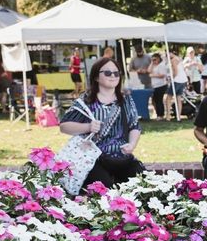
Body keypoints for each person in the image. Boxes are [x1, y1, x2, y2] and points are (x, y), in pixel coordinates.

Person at [60, 57, 144, 190]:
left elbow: (135, 125)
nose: (113, 76)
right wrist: (87, 127)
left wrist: (132, 144)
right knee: (104, 191)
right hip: (93, 160)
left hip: (122, 158)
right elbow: (64, 126)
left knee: (143, 184)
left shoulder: (125, 99)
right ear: (96, 77)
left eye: (116, 73)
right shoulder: (85, 100)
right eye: (107, 73)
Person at [164, 49, 188, 120]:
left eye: (168, 54)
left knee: (168, 98)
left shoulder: (173, 60)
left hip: (177, 80)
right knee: (178, 98)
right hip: (183, 80)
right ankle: (178, 116)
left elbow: (176, 72)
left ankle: (168, 116)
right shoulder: (179, 58)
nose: (167, 55)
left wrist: (171, 78)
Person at [148, 53, 168, 120]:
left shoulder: (161, 65)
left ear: (159, 59)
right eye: (152, 59)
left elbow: (162, 75)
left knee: (159, 100)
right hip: (155, 85)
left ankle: (161, 115)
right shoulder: (154, 65)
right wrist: (151, 63)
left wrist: (153, 75)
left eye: (155, 59)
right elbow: (148, 71)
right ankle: (158, 114)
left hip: (161, 85)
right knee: (155, 100)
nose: (154, 61)